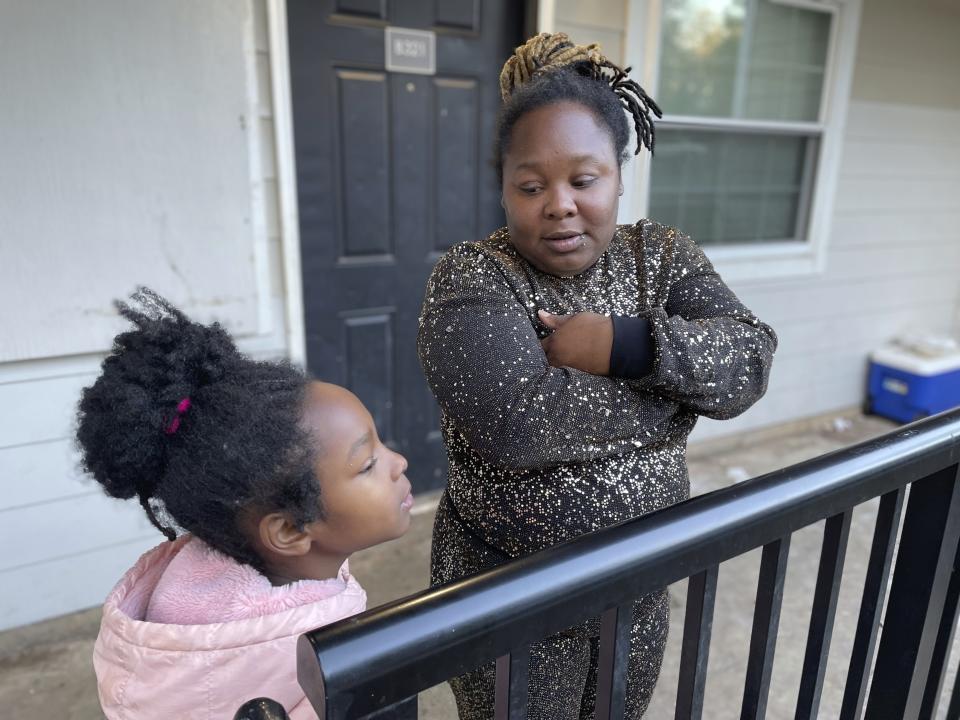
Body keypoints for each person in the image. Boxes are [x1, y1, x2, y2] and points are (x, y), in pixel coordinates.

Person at [418, 32, 777, 719]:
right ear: (503, 186)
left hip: (639, 585)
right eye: (531, 185)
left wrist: (624, 346)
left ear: (617, 173)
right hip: (510, 594)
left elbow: (749, 361)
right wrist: (674, 404)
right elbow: (519, 426)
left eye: (584, 180)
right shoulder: (473, 277)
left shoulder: (662, 257)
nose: (558, 204)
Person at [76, 288, 414, 720]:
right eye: (367, 464)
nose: (398, 461)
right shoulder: (311, 667)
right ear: (290, 530)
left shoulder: (195, 598)